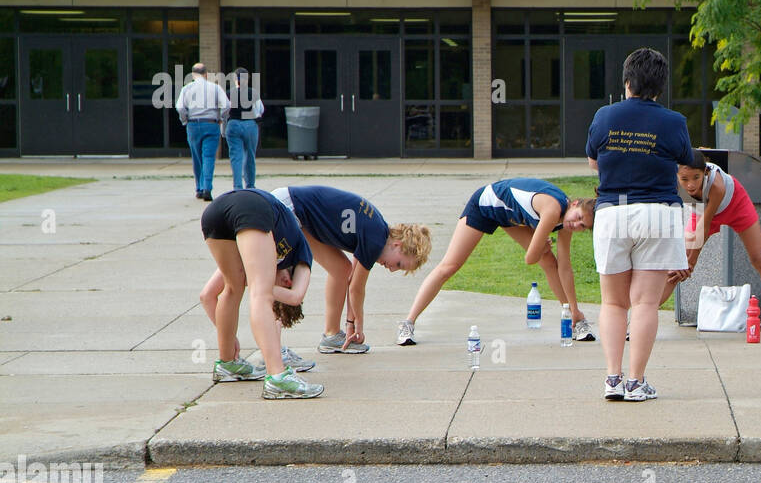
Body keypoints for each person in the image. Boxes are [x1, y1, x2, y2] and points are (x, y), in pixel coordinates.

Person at [586, 47, 693, 401]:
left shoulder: (604, 116)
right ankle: (636, 382)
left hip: (612, 213)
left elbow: (593, 163)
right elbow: (685, 160)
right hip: (658, 213)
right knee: (645, 304)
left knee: (613, 303)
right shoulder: (674, 121)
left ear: (627, 82)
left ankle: (612, 379)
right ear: (660, 87)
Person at [398, 179, 596, 346]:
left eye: (582, 226)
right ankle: (408, 323)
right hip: (485, 205)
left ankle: (573, 317)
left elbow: (565, 267)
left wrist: (575, 306)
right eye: (578, 217)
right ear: (574, 203)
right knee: (449, 266)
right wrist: (540, 246)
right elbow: (530, 259)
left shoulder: (565, 223)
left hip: (508, 215)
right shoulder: (553, 209)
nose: (576, 224)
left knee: (550, 262)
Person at [265, 186, 431, 354]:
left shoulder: (377, 230)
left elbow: (352, 280)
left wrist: (350, 324)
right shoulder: (375, 241)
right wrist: (358, 324)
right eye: (399, 264)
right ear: (397, 245)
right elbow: (357, 289)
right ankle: (272, 355)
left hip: (297, 212)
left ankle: (332, 335)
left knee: (341, 269)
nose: (392, 269)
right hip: (287, 209)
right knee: (278, 280)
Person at [661, 149, 761, 340]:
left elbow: (705, 224)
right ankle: (641, 318)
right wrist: (686, 262)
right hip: (701, 212)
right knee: (677, 266)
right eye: (684, 179)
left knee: (760, 259)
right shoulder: (673, 180)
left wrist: (692, 262)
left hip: (735, 204)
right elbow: (698, 225)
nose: (690, 184)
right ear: (677, 175)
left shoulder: (717, 186)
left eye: (696, 177)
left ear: (705, 172)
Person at [200, 187, 323, 399]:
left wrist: (228, 338)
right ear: (288, 280)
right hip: (252, 207)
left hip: (216, 211)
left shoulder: (258, 246)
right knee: (260, 294)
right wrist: (264, 290)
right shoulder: (302, 254)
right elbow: (295, 297)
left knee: (233, 286)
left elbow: (208, 295)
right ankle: (278, 377)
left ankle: (228, 362)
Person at [175, 63, 229, 201]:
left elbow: (180, 107)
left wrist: (185, 120)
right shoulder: (215, 88)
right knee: (209, 157)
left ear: (193, 74)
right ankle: (207, 188)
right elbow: (227, 105)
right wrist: (221, 117)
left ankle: (199, 188)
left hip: (193, 125)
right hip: (211, 124)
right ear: (206, 74)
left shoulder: (187, 88)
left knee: (197, 158)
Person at [224, 67, 263, 190]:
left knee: (236, 157)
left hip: (234, 123)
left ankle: (237, 186)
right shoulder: (253, 92)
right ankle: (250, 185)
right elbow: (259, 110)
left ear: (235, 79)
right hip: (250, 125)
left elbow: (225, 111)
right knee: (250, 155)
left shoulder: (229, 93)